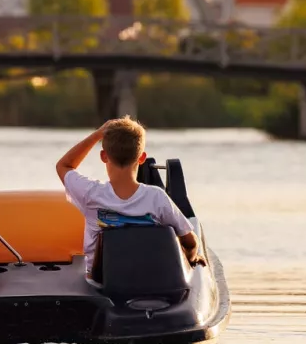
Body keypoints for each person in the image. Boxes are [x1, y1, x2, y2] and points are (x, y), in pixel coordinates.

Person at [55, 118, 204, 276]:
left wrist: (97, 134)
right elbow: (190, 242)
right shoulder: (157, 198)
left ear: (104, 156)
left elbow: (64, 165)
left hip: (102, 281)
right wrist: (191, 259)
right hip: (148, 279)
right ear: (141, 158)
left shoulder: (90, 193)